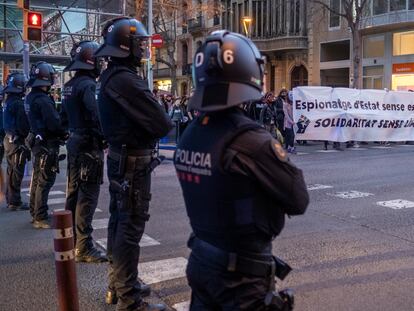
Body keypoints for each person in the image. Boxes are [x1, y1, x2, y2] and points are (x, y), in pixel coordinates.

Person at [174, 30, 309, 310]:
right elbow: (298, 198)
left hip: (202, 260)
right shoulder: (251, 141)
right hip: (240, 279)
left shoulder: (191, 134)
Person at [95, 17, 173, 311]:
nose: (144, 47)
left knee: (119, 222)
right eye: (140, 43)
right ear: (125, 47)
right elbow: (162, 122)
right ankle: (129, 299)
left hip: (121, 158)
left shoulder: (112, 77)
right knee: (130, 226)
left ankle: (119, 284)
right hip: (132, 163)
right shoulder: (126, 80)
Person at [60, 41, 107, 263]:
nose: (101, 64)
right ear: (91, 61)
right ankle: (84, 246)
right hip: (89, 146)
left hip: (74, 143)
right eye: (99, 60)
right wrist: (106, 135)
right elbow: (97, 114)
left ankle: (68, 239)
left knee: (73, 193)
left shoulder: (69, 85)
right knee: (87, 197)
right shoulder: (88, 85)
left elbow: (63, 118)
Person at [25, 61, 67, 229]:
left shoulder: (30, 97)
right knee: (45, 180)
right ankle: (40, 216)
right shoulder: (43, 100)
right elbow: (54, 123)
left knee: (37, 178)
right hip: (47, 144)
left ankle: (34, 212)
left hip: (37, 142)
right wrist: (64, 133)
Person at [3, 72, 30, 210]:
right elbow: (23, 125)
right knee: (16, 172)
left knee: (11, 170)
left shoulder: (8, 101)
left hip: (8, 140)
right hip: (17, 142)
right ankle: (15, 201)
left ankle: (11, 199)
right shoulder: (18, 104)